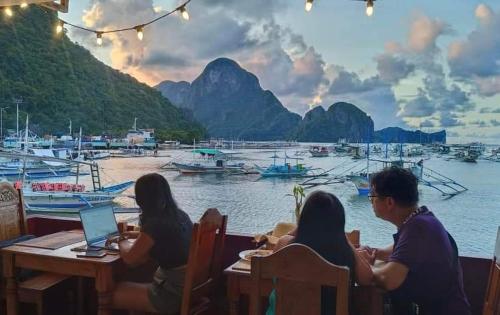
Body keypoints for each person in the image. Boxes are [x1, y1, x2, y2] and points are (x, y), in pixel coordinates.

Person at [360, 167, 470, 315]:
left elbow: (388, 279)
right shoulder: (421, 220)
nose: (371, 203)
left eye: (372, 197)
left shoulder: (419, 228)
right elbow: (395, 251)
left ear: (390, 202)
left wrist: (361, 267)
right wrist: (369, 252)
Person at [268, 190, 373, 315]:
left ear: (304, 218)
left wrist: (301, 226)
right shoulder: (343, 252)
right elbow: (367, 278)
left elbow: (269, 272)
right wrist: (342, 236)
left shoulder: (285, 245)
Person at [107, 173, 193, 314]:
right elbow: (158, 237)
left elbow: (130, 260)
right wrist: (132, 234)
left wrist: (121, 239)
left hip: (171, 296)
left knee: (109, 293)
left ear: (142, 200)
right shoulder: (179, 215)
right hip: (189, 289)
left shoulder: (155, 224)